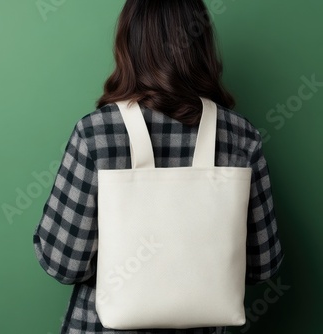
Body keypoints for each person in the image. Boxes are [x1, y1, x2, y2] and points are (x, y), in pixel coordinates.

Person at [32, 0, 284, 333]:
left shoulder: (96, 133)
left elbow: (63, 263)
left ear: (128, 45)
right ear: (202, 44)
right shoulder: (241, 137)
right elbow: (263, 265)